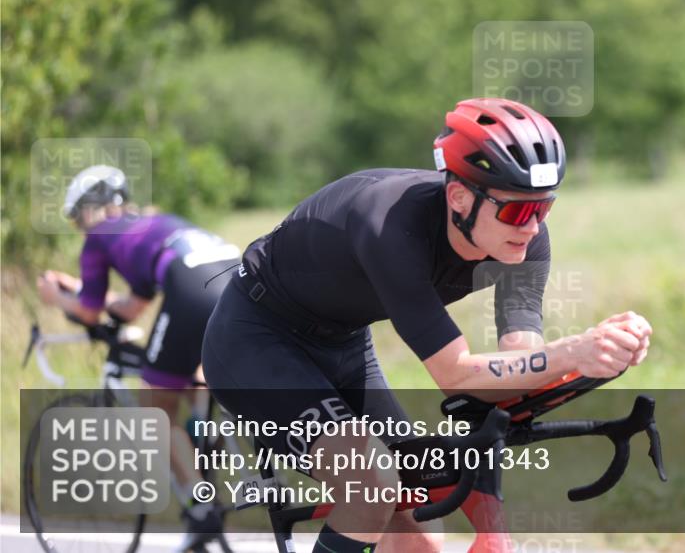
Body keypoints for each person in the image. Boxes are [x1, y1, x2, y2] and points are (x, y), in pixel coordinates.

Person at [202, 98, 652, 553]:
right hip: (256, 339)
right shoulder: (389, 224)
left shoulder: (524, 240)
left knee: (420, 529)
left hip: (343, 343)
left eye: (544, 208)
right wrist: (572, 351)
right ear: (459, 198)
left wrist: (601, 356)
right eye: (518, 212)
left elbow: (520, 363)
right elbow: (455, 375)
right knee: (371, 485)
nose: (532, 227)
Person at [36, 164, 241, 542]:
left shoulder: (99, 235)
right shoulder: (152, 223)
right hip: (235, 275)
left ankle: (200, 507)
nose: (81, 226)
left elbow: (89, 313)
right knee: (193, 376)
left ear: (92, 209)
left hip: (190, 286)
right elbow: (131, 307)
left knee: (154, 408)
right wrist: (80, 289)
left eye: (79, 216)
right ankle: (205, 436)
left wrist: (56, 296)